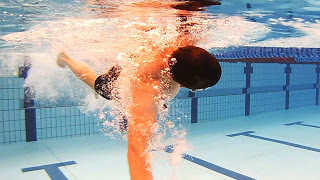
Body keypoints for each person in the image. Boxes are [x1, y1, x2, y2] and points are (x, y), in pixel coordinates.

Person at [57, 1, 222, 180]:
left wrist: (189, 8)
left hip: (136, 62)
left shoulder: (184, 47)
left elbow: (185, 19)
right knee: (95, 82)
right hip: (120, 82)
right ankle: (65, 58)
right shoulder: (147, 90)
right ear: (184, 84)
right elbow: (137, 150)